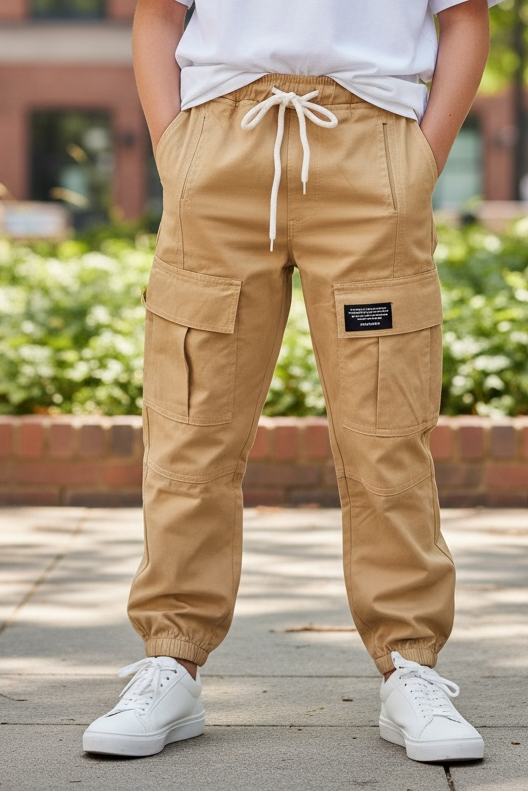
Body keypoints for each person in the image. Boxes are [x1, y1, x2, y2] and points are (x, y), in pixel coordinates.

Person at [83, 0, 499, 763]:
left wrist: (420, 161)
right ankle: (169, 660)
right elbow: (157, 13)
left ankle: (411, 666)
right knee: (191, 424)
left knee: (387, 432)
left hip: (372, 146)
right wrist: (177, 150)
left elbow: (465, 18)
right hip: (219, 145)